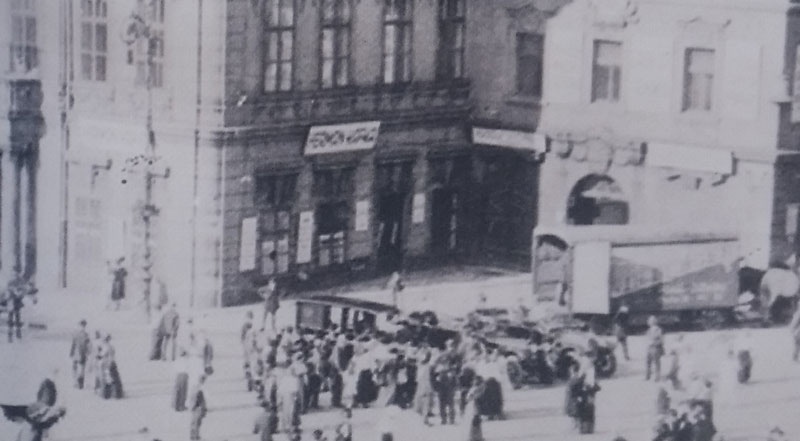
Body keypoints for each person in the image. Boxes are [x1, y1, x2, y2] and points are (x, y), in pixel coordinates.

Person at [70, 319, 91, 389]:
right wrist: (88, 353)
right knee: (81, 369)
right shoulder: (86, 335)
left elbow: (73, 344)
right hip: (82, 353)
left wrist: (71, 352)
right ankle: (80, 384)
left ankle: (75, 383)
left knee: (75, 368)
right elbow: (88, 345)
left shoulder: (75, 333)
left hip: (76, 353)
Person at [645, 316, 665, 381]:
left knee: (656, 363)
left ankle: (657, 377)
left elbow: (662, 340)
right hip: (649, 348)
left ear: (654, 322)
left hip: (655, 348)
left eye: (650, 321)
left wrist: (654, 343)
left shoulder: (658, 330)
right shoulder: (649, 330)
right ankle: (647, 376)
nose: (649, 322)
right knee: (648, 362)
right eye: (649, 321)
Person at [189, 375, 208, 441]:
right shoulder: (199, 389)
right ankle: (195, 436)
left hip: (196, 407)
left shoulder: (196, 387)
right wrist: (203, 408)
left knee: (195, 422)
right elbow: (199, 399)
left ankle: (193, 436)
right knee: (197, 423)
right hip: (198, 407)